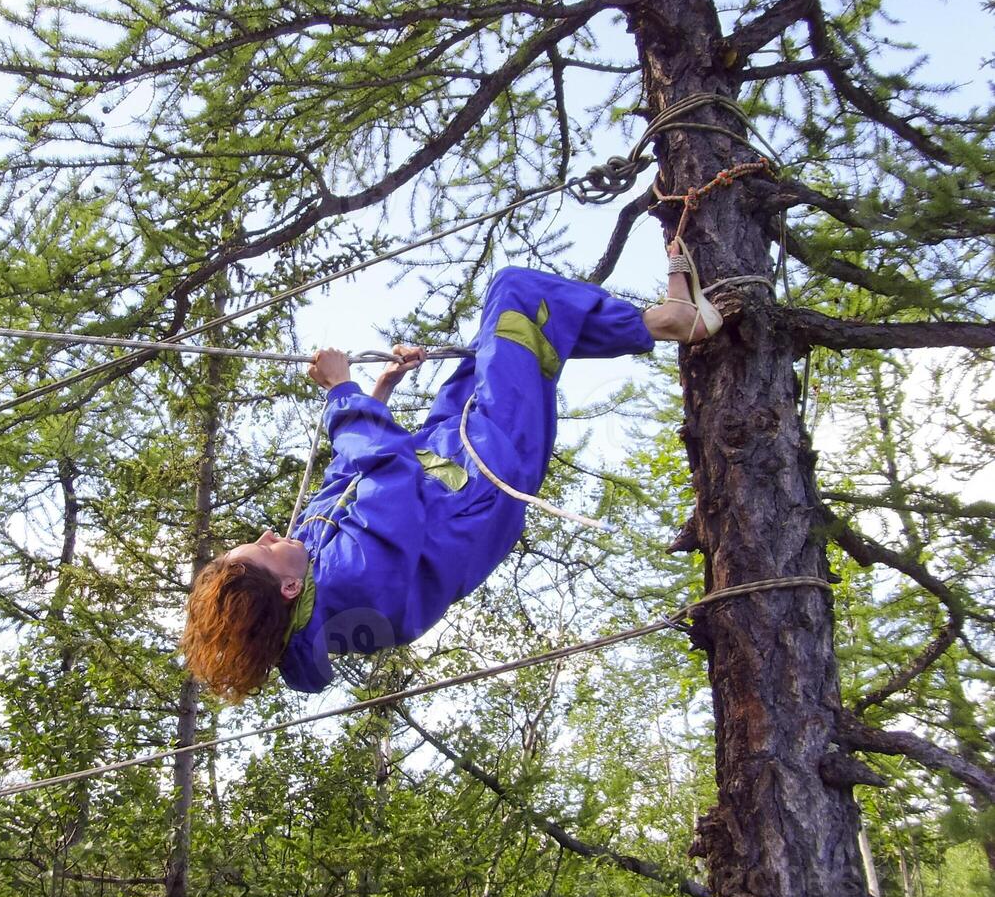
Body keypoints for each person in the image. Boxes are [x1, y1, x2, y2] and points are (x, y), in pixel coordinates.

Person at [182, 248, 718, 699]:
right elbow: (386, 473)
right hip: (489, 472)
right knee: (515, 299)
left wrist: (380, 390)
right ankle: (670, 321)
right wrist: (340, 393)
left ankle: (668, 319)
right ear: (289, 588)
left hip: (447, 457)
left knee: (502, 336)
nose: (270, 535)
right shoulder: (352, 579)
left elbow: (347, 479)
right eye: (264, 549)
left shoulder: (315, 568)